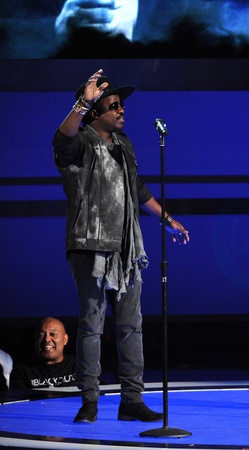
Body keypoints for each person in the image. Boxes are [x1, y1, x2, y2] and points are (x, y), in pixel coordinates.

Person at [52, 69, 190, 424]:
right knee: (92, 325)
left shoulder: (123, 144)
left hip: (126, 250)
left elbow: (137, 188)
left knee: (131, 326)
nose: (121, 109)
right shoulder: (81, 142)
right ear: (95, 112)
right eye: (113, 105)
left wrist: (166, 218)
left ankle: (132, 400)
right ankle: (89, 402)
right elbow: (61, 140)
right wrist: (82, 103)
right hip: (91, 247)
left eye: (121, 104)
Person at [10, 317, 77, 390]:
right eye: (41, 335)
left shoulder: (79, 367)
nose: (46, 339)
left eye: (53, 334)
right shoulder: (22, 372)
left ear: (65, 339)